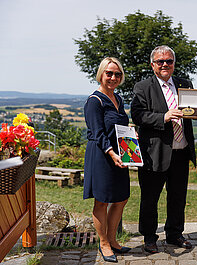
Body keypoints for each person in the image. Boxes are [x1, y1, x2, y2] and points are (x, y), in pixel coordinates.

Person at [131, 45, 197, 253]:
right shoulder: (143, 87)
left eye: (169, 61)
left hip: (181, 151)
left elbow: (191, 113)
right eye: (160, 61)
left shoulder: (184, 83)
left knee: (178, 197)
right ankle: (149, 237)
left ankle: (174, 234)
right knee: (150, 199)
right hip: (154, 153)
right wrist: (164, 117)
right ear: (152, 65)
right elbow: (138, 115)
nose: (165, 65)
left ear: (173, 63)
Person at [83, 57, 132, 263]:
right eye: (109, 73)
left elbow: (121, 129)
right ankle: (103, 243)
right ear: (101, 74)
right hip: (102, 155)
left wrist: (130, 149)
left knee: (121, 197)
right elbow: (98, 133)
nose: (113, 77)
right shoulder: (94, 101)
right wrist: (112, 153)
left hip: (119, 154)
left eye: (117, 74)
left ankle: (113, 240)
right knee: (102, 200)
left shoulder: (118, 99)